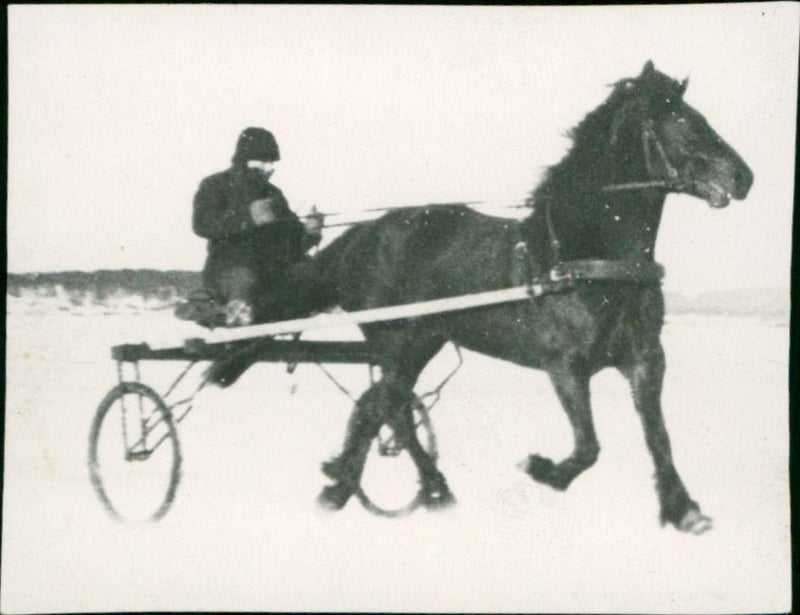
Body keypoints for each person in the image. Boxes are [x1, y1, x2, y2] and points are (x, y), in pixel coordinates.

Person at [177, 127, 323, 327]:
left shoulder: (274, 194)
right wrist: (249, 217)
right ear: (245, 160)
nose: (269, 167)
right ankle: (230, 312)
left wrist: (310, 232)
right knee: (245, 277)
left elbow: (293, 242)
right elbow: (202, 224)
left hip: (271, 271)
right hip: (228, 269)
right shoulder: (216, 185)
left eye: (272, 162)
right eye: (264, 161)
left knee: (310, 271)